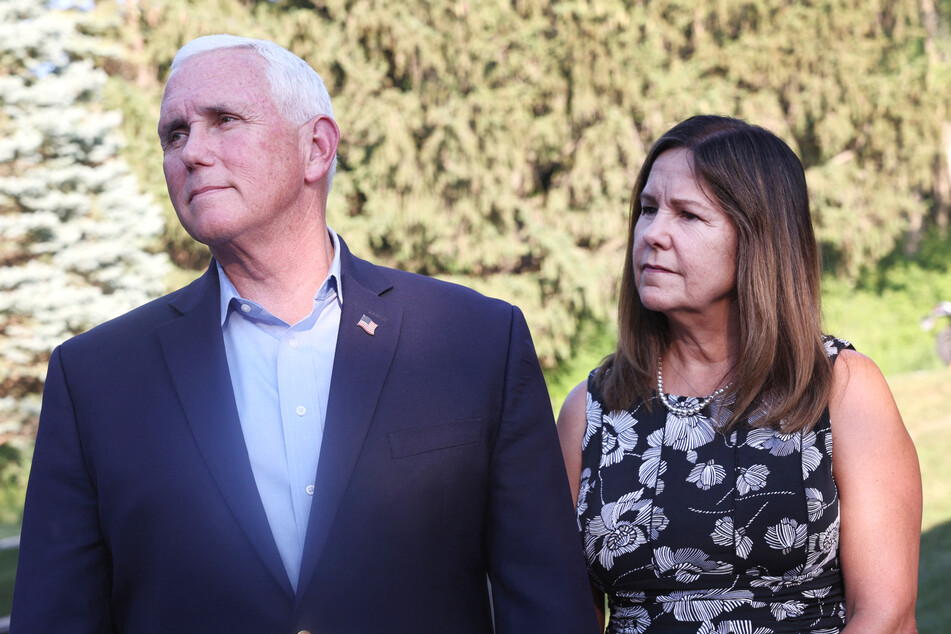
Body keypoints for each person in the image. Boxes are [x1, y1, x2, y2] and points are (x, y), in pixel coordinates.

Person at [12, 34, 598, 633]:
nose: (191, 151)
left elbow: (548, 605)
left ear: (316, 147)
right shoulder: (97, 378)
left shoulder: (473, 340)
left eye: (224, 120)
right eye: (175, 133)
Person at [556, 115, 921, 633]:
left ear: (759, 237)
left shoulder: (841, 389)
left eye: (688, 215)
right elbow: (565, 612)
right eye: (647, 209)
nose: (653, 234)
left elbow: (886, 615)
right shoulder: (591, 409)